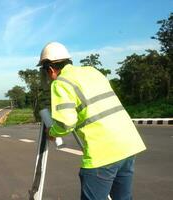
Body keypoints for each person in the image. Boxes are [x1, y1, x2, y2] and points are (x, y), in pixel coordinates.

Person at [37, 42, 146, 200]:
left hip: (103, 153)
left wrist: (52, 131)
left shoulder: (61, 82)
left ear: (51, 69)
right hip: (128, 145)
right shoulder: (92, 71)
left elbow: (66, 122)